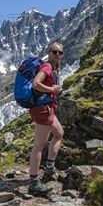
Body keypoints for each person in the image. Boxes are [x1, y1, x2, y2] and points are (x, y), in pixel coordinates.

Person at [27, 42, 64, 195]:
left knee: (59, 134)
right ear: (49, 53)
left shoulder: (52, 68)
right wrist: (52, 89)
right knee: (39, 145)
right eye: (54, 52)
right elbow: (36, 84)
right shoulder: (47, 67)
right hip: (43, 110)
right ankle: (34, 182)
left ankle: (49, 168)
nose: (57, 55)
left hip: (47, 109)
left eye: (60, 52)